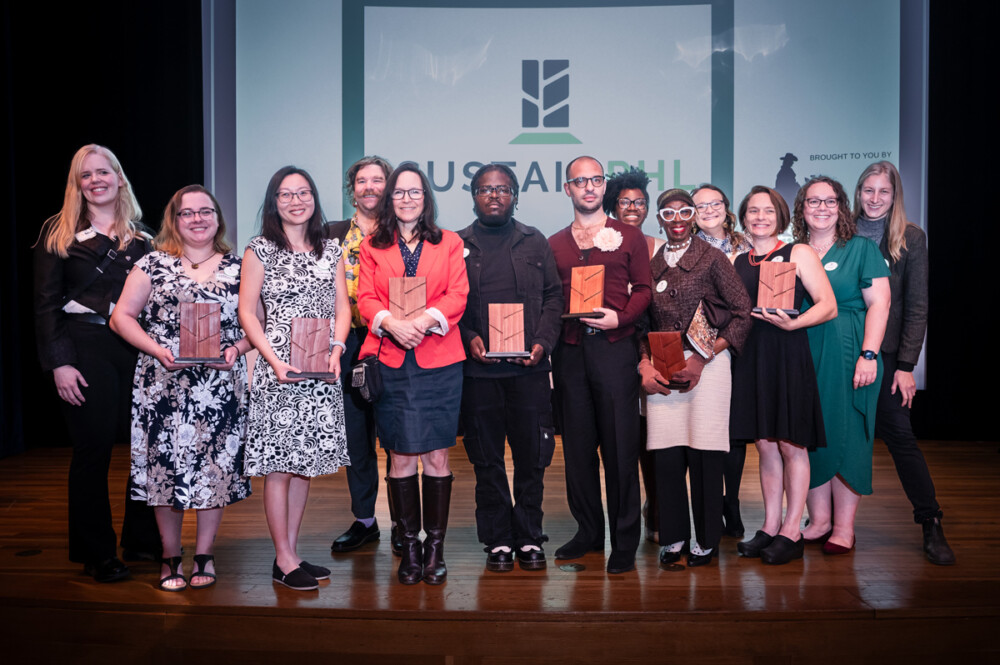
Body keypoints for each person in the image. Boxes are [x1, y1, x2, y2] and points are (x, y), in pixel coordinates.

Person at [110, 185, 253, 590]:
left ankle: (204, 554)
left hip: (219, 386)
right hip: (162, 385)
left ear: (217, 218)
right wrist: (157, 350)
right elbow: (121, 318)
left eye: (205, 211)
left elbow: (256, 324)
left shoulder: (239, 266)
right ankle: (171, 556)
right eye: (187, 213)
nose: (197, 219)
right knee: (164, 473)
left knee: (214, 470)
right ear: (174, 221)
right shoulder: (152, 264)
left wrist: (237, 349)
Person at [33, 144, 161, 582]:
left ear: (119, 178)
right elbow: (46, 305)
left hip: (136, 348)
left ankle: (142, 539)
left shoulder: (143, 238)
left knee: (144, 448)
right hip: (83, 346)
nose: (96, 180)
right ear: (77, 184)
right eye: (86, 175)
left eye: (103, 172)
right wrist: (59, 364)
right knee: (93, 451)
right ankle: (96, 551)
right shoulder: (59, 233)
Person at [239, 166, 351, 591]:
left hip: (321, 367)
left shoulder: (332, 250)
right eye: (286, 194)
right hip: (279, 370)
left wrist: (337, 349)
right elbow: (248, 313)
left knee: (304, 465)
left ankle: (292, 551)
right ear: (274, 203)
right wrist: (271, 359)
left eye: (303, 193)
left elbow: (343, 308)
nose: (296, 200)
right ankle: (283, 558)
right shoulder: (260, 249)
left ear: (314, 199)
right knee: (279, 469)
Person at [357, 162, 468, 585]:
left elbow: (458, 293)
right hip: (391, 360)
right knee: (401, 455)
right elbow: (365, 297)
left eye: (415, 192)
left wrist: (422, 322)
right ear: (390, 199)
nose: (407, 199)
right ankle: (409, 546)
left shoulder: (450, 242)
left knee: (438, 456)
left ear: (426, 198)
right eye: (399, 192)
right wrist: (391, 322)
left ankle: (434, 548)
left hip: (438, 359)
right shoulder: (372, 245)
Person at [548, 156, 652, 574]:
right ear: (567, 188)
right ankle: (588, 532)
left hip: (614, 349)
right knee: (577, 450)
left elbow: (644, 289)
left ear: (603, 186)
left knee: (620, 448)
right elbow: (549, 299)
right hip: (570, 353)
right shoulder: (553, 243)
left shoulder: (628, 236)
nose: (589, 187)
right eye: (580, 181)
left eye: (596, 180)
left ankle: (624, 540)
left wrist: (622, 317)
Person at [458, 164, 563, 572]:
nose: (494, 196)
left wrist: (542, 342)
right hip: (479, 374)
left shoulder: (535, 241)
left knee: (532, 459)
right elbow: (451, 301)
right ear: (474, 196)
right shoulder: (457, 244)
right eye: (486, 189)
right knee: (486, 461)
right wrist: (469, 337)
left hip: (529, 372)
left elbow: (555, 297)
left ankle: (529, 536)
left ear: (515, 195)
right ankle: (498, 539)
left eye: (503, 189)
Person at [638, 189, 752, 568]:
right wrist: (645, 364)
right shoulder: (651, 265)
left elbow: (742, 312)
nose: (677, 219)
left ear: (692, 216)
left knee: (705, 454)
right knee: (667, 455)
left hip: (710, 365)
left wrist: (702, 360)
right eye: (668, 213)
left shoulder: (713, 258)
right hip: (664, 365)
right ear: (660, 219)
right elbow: (641, 325)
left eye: (684, 211)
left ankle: (705, 539)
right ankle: (673, 537)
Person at [852, 161, 955, 564]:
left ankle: (930, 520)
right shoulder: (841, 234)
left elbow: (917, 306)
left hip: (888, 355)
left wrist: (907, 365)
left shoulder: (911, 238)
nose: (875, 199)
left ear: (895, 196)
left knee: (899, 436)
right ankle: (825, 521)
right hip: (841, 351)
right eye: (868, 190)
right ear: (857, 192)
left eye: (884, 191)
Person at [730, 185, 837, 565]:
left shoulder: (798, 252)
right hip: (752, 359)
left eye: (768, 211)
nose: (760, 217)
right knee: (764, 444)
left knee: (791, 443)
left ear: (781, 216)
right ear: (743, 218)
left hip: (787, 354)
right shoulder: (738, 261)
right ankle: (770, 525)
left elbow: (828, 305)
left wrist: (795, 326)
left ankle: (793, 530)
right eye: (753, 211)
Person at [793, 176, 890, 555]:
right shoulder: (794, 251)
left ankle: (844, 527)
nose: (821, 208)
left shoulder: (862, 248)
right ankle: (818, 521)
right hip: (804, 353)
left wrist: (869, 355)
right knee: (810, 434)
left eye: (829, 201)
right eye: (812, 202)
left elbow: (879, 305)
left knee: (849, 436)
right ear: (802, 209)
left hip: (851, 351)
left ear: (841, 207)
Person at [326, 156, 398, 555]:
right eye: (361, 181)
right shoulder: (330, 234)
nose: (369, 187)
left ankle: (403, 520)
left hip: (389, 338)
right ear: (351, 188)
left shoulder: (404, 232)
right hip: (344, 341)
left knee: (394, 434)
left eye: (377, 180)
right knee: (355, 436)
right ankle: (365, 520)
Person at [602, 167, 662, 544]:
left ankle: (658, 506)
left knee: (660, 436)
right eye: (625, 202)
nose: (634, 208)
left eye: (640, 202)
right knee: (631, 437)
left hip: (654, 348)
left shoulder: (659, 245)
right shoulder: (600, 241)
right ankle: (631, 509)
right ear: (613, 205)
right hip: (616, 347)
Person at [690, 183, 752, 539]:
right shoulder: (689, 247)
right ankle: (710, 503)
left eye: (715, 203)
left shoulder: (748, 244)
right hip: (704, 347)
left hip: (743, 343)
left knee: (737, 430)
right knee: (709, 429)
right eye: (700, 205)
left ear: (726, 206)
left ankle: (733, 501)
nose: (709, 209)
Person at [691, 184, 752, 261]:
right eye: (701, 206)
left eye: (716, 204)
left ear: (725, 208)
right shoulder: (686, 251)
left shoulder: (746, 243)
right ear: (692, 214)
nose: (709, 211)